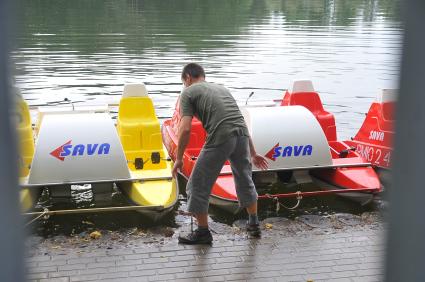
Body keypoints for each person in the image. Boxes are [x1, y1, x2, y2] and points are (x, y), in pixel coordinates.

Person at [172, 63, 268, 244]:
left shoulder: (188, 92)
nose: (184, 85)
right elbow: (240, 122)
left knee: (197, 185)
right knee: (245, 180)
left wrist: (178, 159)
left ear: (187, 78)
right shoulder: (222, 89)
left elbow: (184, 129)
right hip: (241, 136)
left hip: (221, 136)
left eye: (184, 82)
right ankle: (254, 225)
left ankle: (202, 233)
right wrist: (253, 153)